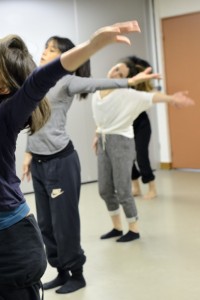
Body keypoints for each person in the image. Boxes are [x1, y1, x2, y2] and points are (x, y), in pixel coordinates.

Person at [0, 21, 142, 300]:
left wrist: (94, 44)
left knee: (62, 223)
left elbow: (40, 80)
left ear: (2, 88)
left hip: (10, 244)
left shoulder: (5, 116)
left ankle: (73, 269)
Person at [21, 36, 159, 294]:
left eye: (52, 50)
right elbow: (34, 121)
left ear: (66, 57)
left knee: (64, 223)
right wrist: (28, 154)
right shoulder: (36, 80)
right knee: (45, 225)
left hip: (60, 162)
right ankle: (60, 271)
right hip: (39, 163)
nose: (44, 52)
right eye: (45, 47)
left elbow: (96, 83)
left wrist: (129, 82)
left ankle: (77, 274)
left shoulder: (67, 80)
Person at [92, 56, 194, 243]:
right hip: (104, 141)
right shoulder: (98, 89)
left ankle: (133, 228)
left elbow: (150, 97)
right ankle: (116, 227)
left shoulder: (127, 94)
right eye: (115, 68)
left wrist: (171, 98)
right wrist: (96, 135)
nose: (115, 73)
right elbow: (102, 116)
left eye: (121, 73)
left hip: (121, 142)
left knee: (123, 190)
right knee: (105, 189)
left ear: (128, 79)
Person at [128, 56, 157, 200]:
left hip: (142, 125)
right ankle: (136, 187)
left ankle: (152, 187)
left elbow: (151, 98)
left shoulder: (145, 89)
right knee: (127, 157)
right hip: (126, 124)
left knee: (141, 156)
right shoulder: (125, 85)